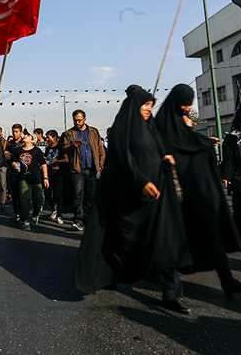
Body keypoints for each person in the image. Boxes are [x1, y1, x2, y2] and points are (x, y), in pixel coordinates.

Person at [74, 85, 192, 314]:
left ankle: (172, 294)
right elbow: (124, 159)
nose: (149, 109)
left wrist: (165, 160)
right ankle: (107, 273)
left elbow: (156, 152)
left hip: (157, 195)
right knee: (121, 240)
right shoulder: (122, 128)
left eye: (151, 105)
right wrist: (141, 182)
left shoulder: (150, 127)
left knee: (164, 240)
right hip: (131, 196)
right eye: (145, 105)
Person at [156, 84, 241, 297]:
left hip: (196, 193)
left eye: (190, 103)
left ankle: (228, 281)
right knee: (171, 243)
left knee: (212, 236)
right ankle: (170, 292)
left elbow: (188, 143)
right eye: (185, 103)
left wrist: (203, 141)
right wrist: (200, 143)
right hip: (174, 193)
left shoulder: (182, 121)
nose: (188, 107)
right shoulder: (163, 123)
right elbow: (175, 146)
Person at [62, 109, 105, 231]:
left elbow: (100, 148)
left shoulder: (93, 131)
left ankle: (87, 219)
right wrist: (72, 146)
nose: (77, 122)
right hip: (77, 169)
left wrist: (101, 163)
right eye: (75, 120)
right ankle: (78, 220)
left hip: (92, 168)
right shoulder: (69, 133)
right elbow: (64, 149)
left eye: (79, 120)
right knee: (77, 195)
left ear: (85, 119)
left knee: (90, 196)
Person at [14, 130, 48, 231]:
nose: (25, 136)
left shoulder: (37, 151)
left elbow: (43, 164)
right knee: (25, 198)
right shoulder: (18, 150)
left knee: (37, 200)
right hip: (23, 177)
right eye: (26, 135)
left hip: (36, 178)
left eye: (28, 136)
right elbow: (13, 161)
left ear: (32, 140)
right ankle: (25, 220)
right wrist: (16, 167)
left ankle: (35, 215)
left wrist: (45, 178)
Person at [44, 130, 66, 225]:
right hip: (49, 174)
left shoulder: (61, 147)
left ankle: (59, 215)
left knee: (58, 195)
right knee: (47, 195)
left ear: (54, 137)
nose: (47, 139)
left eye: (48, 137)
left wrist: (57, 162)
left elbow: (66, 160)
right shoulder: (48, 148)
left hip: (58, 175)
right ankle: (54, 208)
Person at [4, 124, 24, 222]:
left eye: (17, 132)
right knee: (14, 194)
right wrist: (5, 153)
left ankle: (23, 214)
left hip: (22, 172)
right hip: (12, 171)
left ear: (21, 132)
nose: (15, 134)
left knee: (22, 194)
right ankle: (17, 213)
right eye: (13, 132)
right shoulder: (10, 143)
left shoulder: (24, 143)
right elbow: (6, 154)